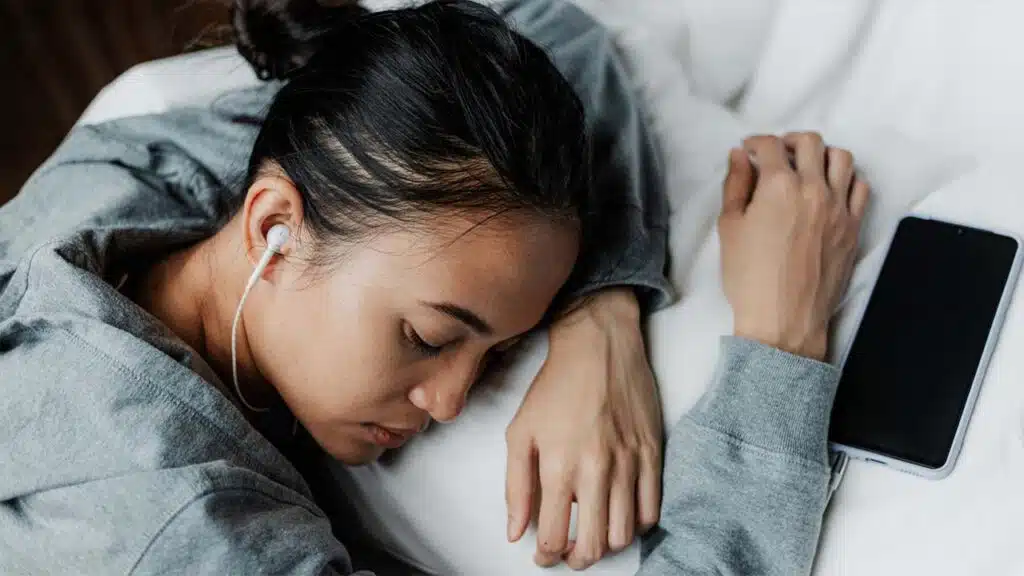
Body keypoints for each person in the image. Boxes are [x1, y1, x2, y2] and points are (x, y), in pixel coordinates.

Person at [0, 1, 868, 575]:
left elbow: (543, 24)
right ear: (273, 224)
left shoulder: (141, 190)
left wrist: (600, 317)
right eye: (426, 335)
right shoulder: (188, 530)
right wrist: (782, 338)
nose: (452, 401)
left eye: (493, 348)